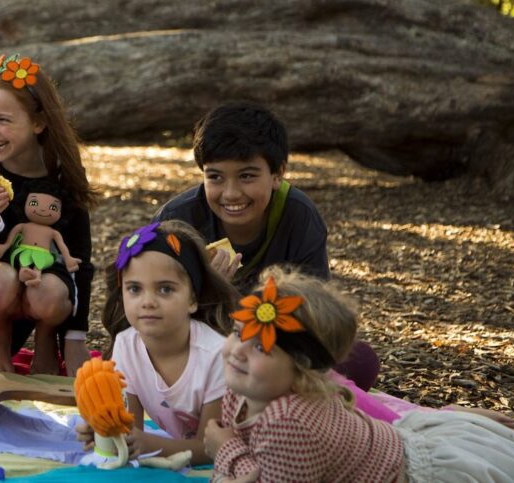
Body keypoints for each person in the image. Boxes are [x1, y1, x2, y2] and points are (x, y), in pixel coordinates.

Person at [203, 267, 514, 482]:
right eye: (236, 332)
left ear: (303, 368)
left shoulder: (288, 420)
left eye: (262, 347)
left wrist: (227, 451)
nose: (237, 350)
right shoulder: (239, 389)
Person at [150, 101, 380, 392]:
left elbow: (315, 314)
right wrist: (203, 288)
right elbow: (144, 308)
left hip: (271, 347)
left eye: (247, 176)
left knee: (360, 360)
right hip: (194, 345)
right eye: (215, 177)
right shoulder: (178, 221)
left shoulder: (298, 216)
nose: (231, 193)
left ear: (277, 173)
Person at [0, 53, 98, 375]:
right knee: (1, 278)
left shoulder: (62, 170)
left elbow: (80, 254)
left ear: (39, 123)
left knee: (49, 292)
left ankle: (45, 342)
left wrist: (76, 335)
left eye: (4, 120)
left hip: (48, 276)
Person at [77, 220, 240, 465]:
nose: (148, 301)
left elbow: (212, 448)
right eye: (134, 289)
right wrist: (107, 433)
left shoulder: (216, 355)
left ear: (192, 299)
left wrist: (155, 446)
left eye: (165, 289)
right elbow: (130, 427)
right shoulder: (126, 345)